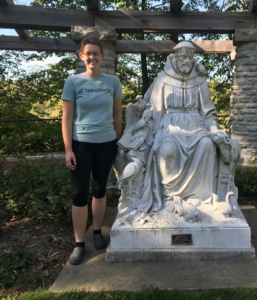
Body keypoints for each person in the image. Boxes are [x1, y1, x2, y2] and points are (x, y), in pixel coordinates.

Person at [115, 41, 238, 220]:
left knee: (207, 145)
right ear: (175, 58)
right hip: (170, 126)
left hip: (196, 125)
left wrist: (214, 129)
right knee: (166, 151)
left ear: (193, 59)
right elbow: (153, 109)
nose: (186, 60)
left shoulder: (200, 81)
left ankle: (199, 198)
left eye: (189, 56)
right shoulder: (163, 79)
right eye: (183, 56)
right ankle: (171, 198)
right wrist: (143, 114)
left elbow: (208, 113)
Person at [61, 37, 122, 265]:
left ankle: (97, 232)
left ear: (102, 57)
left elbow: (117, 114)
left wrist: (116, 140)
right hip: (80, 144)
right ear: (82, 56)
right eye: (88, 53)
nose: (92, 57)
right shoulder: (73, 81)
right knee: (79, 195)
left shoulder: (112, 81)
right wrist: (69, 149)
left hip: (106, 144)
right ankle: (79, 244)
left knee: (99, 190)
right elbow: (67, 118)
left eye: (96, 53)